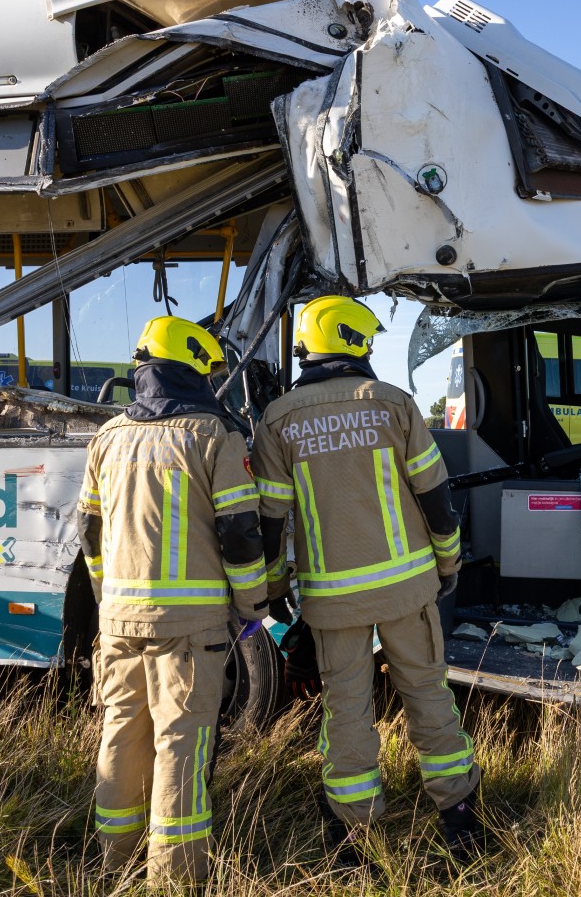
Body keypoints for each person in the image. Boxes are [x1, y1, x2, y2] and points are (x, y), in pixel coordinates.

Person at [251, 295, 484, 865]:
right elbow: (437, 500)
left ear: (310, 344)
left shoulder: (278, 421)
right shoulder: (394, 405)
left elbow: (270, 524)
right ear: (354, 341)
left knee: (346, 708)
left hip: (332, 602)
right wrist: (448, 565)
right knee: (428, 693)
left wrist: (277, 591)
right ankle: (460, 823)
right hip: (409, 590)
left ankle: (355, 837)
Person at [74, 316, 269, 885]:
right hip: (189, 627)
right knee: (180, 743)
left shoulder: (106, 438)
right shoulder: (214, 436)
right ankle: (175, 877)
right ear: (192, 369)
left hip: (118, 620)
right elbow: (240, 532)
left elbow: (89, 532)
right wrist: (254, 608)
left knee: (120, 732)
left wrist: (105, 596)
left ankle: (114, 861)